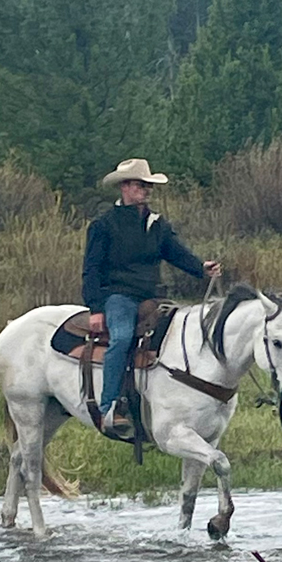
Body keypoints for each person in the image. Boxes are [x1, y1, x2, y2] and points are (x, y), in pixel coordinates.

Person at [82, 158, 222, 435]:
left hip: (152, 296)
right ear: (124, 187)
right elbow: (91, 269)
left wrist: (200, 268)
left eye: (148, 186)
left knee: (181, 336)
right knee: (121, 338)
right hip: (118, 296)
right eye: (140, 185)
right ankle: (109, 406)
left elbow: (175, 252)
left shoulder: (156, 224)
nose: (146, 190)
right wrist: (96, 308)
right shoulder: (104, 225)